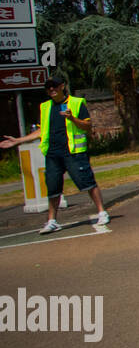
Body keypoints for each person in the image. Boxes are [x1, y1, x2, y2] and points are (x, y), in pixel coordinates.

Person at [1, 72, 110, 233]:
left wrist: (72, 118)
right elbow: (41, 130)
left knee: (87, 182)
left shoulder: (76, 103)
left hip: (73, 152)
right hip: (53, 153)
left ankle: (102, 212)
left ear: (62, 87)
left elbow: (87, 126)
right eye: (48, 88)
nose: (51, 89)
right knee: (52, 188)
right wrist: (18, 140)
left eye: (54, 87)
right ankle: (52, 221)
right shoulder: (45, 107)